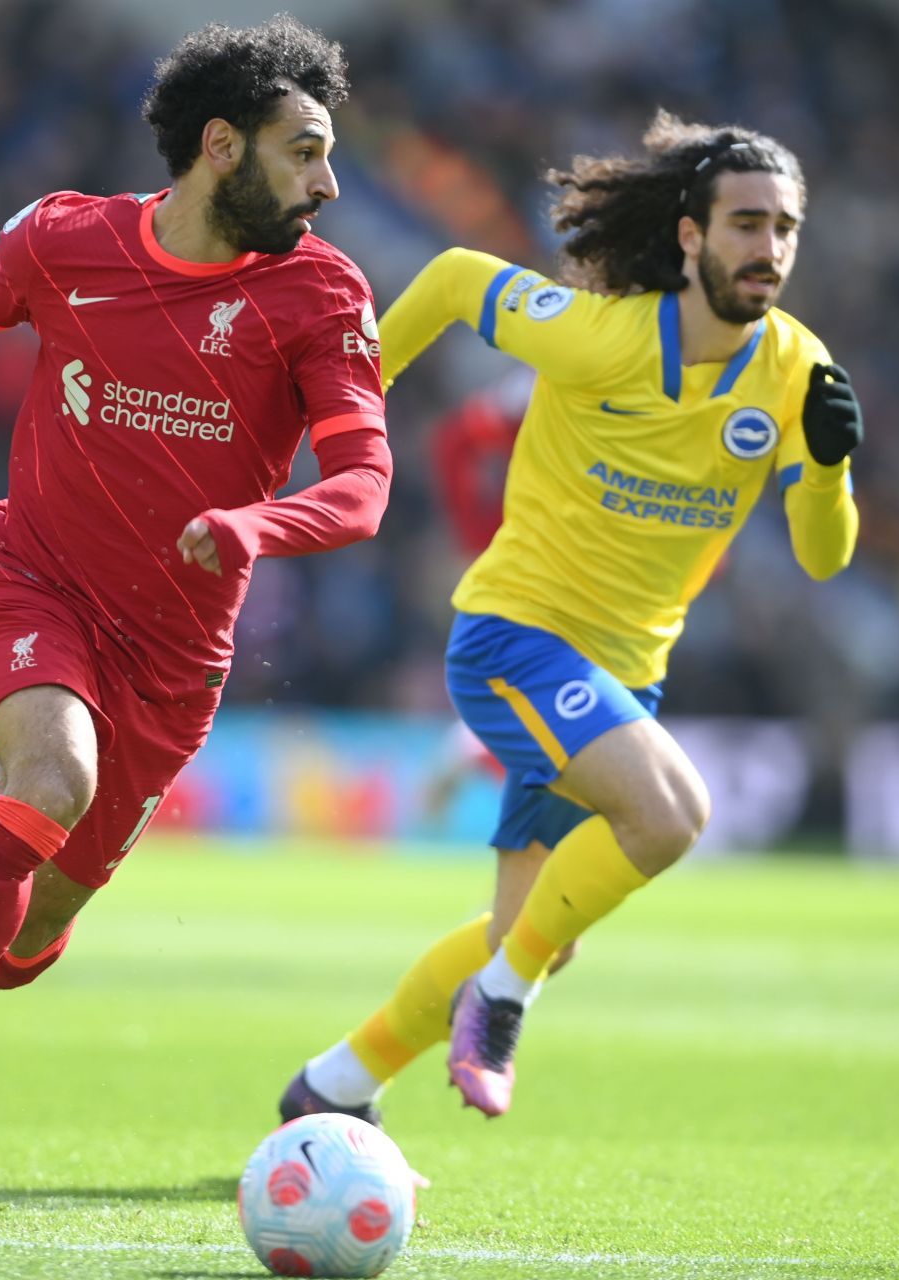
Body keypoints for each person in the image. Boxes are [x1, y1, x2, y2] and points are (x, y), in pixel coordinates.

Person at [0, 16, 390, 1173]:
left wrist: (254, 521)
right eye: (306, 151)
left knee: (27, 933)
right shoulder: (66, 238)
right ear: (221, 146)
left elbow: (365, 486)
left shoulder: (321, 294)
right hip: (35, 575)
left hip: (175, 663)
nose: (329, 184)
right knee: (51, 778)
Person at [280, 111, 864, 1123]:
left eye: (784, 228)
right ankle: (498, 1005)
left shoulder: (798, 373)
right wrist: (349, 405)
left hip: (624, 674)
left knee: (540, 926)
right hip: (517, 636)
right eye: (744, 224)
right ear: (690, 234)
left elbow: (823, 556)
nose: (767, 248)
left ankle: (334, 1083)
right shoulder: (603, 336)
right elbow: (461, 277)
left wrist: (831, 470)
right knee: (671, 812)